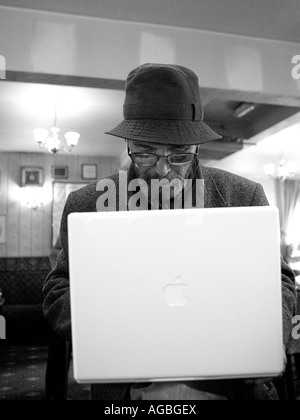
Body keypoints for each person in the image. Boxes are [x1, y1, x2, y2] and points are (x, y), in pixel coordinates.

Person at [43, 63, 297, 400]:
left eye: (178, 155)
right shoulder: (87, 202)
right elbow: (58, 288)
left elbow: (279, 280)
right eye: (146, 152)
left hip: (231, 380)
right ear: (129, 142)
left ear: (196, 148)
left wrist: (264, 339)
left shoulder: (243, 196)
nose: (162, 169)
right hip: (127, 383)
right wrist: (102, 329)